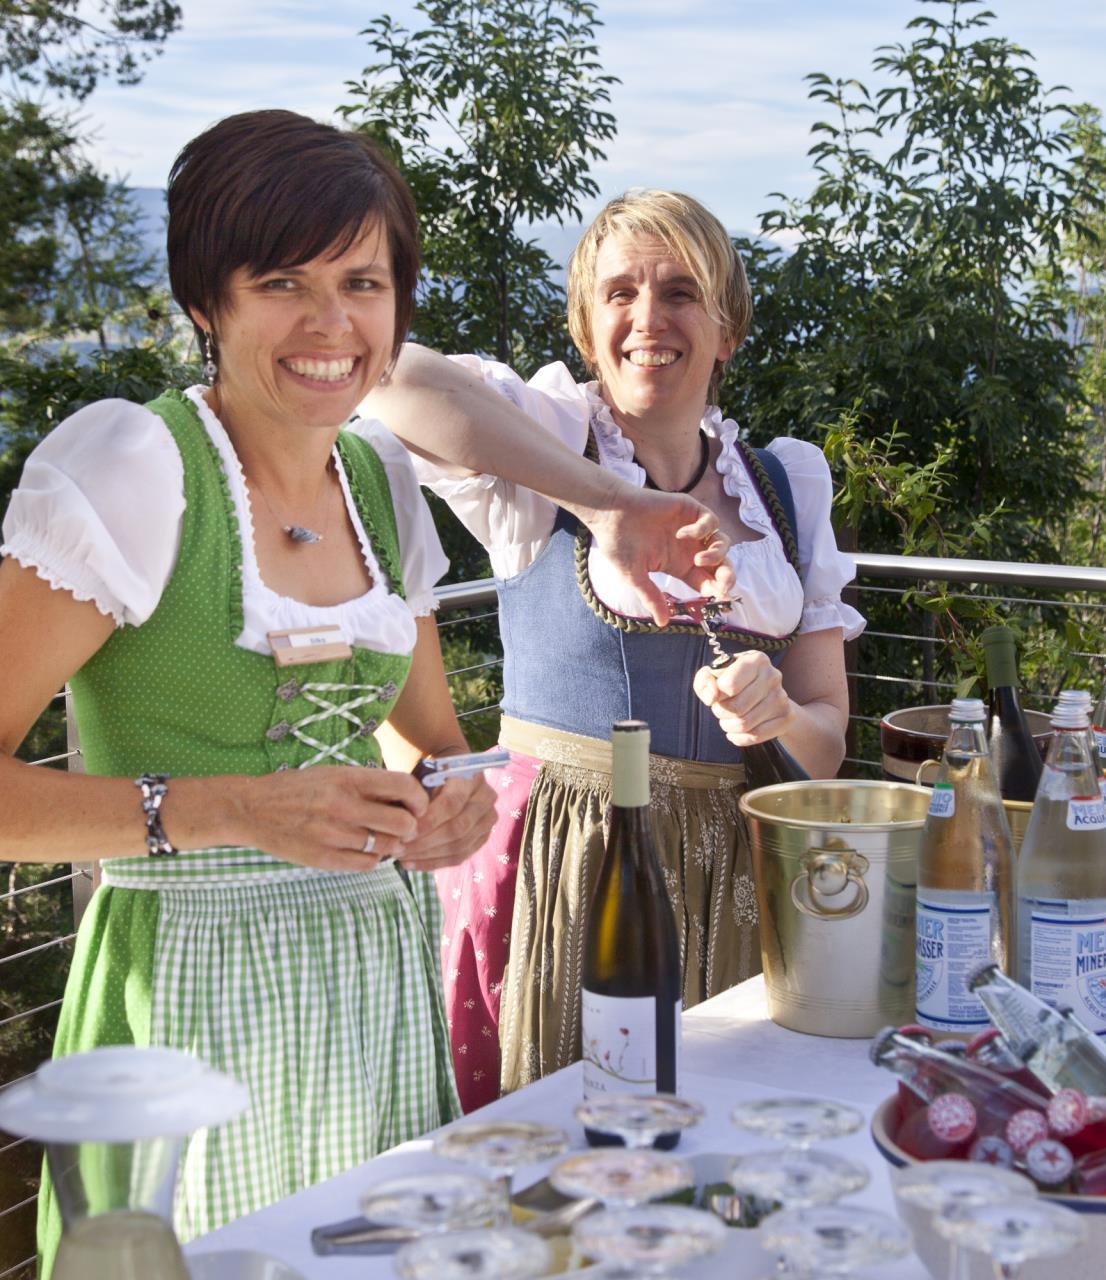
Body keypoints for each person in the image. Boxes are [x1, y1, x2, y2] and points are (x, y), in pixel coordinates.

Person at [0, 114, 730, 1259]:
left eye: (363, 281)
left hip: (373, 980)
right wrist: (225, 806)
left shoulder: (380, 481)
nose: (332, 323)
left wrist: (447, 810)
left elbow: (429, 743)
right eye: (281, 280)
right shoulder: (136, 467)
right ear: (206, 303)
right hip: (186, 989)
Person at [362, 189, 864, 1108]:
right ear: (589, 334)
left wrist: (781, 711)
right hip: (568, 861)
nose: (648, 318)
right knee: (559, 1150)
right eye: (619, 294)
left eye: (680, 292)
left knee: (711, 1145)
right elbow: (387, 376)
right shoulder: (547, 442)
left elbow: (827, 739)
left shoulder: (787, 484)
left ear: (727, 331)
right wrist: (607, 505)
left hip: (734, 874)